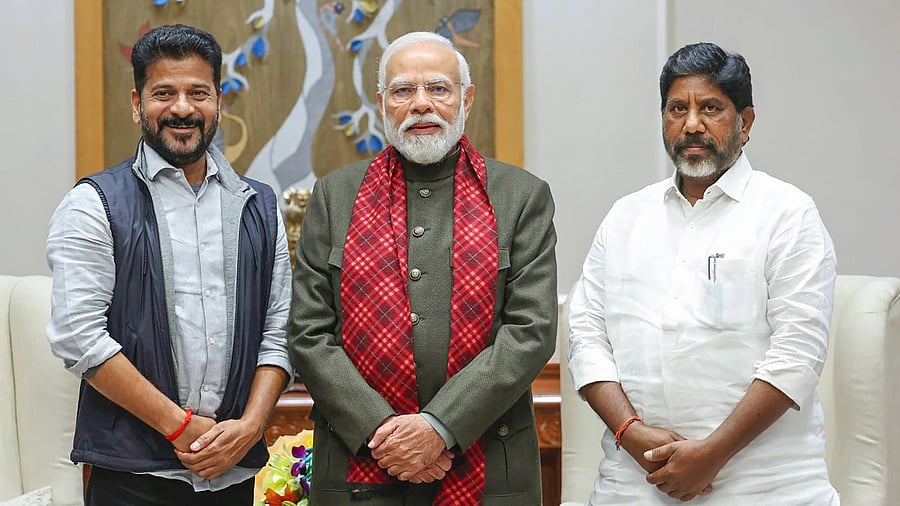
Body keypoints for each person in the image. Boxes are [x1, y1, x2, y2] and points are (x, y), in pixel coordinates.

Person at [288, 31, 558, 505]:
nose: (421, 104)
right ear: (380, 103)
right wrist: (386, 433)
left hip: (488, 463)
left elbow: (530, 330)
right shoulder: (334, 197)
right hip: (361, 465)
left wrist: (440, 427)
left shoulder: (520, 196)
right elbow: (309, 334)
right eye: (402, 91)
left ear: (466, 99)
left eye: (438, 88)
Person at [568, 42, 839, 504]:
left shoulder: (787, 213)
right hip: (635, 483)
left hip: (766, 487)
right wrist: (630, 432)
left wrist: (712, 454)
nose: (691, 123)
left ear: (745, 122)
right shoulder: (625, 216)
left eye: (710, 107)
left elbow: (797, 355)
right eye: (678, 108)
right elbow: (586, 336)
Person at [46, 24, 292, 505]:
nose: (182, 107)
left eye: (198, 92)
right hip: (133, 480)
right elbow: (78, 337)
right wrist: (178, 426)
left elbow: (279, 328)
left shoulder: (259, 206)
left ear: (219, 100)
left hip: (234, 476)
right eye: (164, 92)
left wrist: (249, 427)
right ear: (137, 103)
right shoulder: (93, 204)